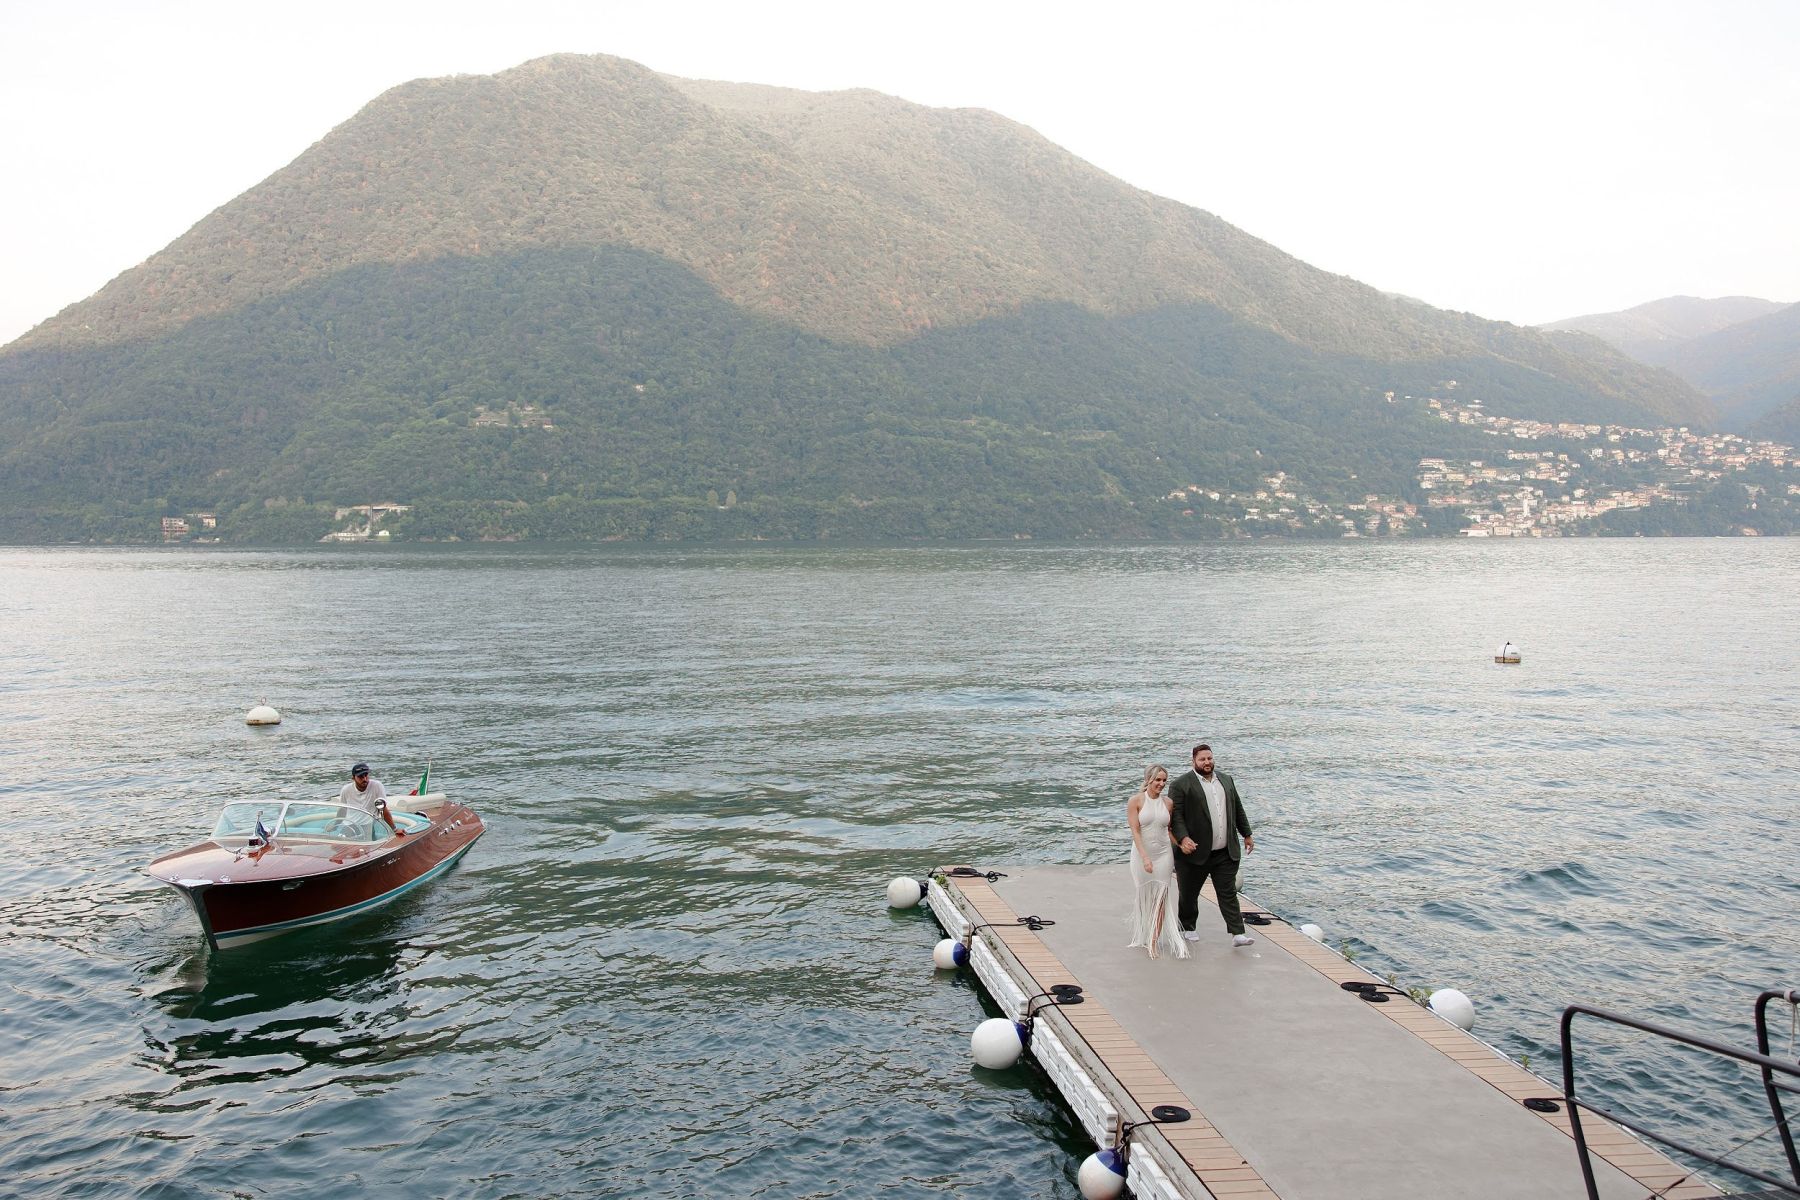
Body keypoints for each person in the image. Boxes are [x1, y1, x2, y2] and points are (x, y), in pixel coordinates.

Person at [1169, 743, 1256, 947]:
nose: (1207, 762)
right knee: (1189, 893)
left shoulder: (1226, 780)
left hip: (1224, 852)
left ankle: (1237, 933)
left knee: (1228, 892)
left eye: (1209, 758)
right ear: (1193, 761)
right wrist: (1183, 839)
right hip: (1194, 852)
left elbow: (1237, 808)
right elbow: (1176, 817)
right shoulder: (1181, 784)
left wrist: (1247, 834)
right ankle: (1188, 927)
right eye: (1202, 759)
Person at [1126, 764, 1187, 960]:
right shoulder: (1135, 801)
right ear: (1148, 780)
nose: (1161, 784)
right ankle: (1145, 933)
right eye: (1157, 780)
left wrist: (1181, 844)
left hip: (1163, 855)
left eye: (1164, 780)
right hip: (1141, 854)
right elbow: (1135, 831)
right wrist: (1144, 857)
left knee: (1161, 898)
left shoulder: (1168, 803)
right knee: (1144, 897)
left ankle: (1153, 941)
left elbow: (1168, 829)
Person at [338, 762, 403, 837]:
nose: (365, 779)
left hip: (368, 825)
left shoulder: (376, 786)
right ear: (353, 778)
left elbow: (382, 809)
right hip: (350, 824)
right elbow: (342, 809)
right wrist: (336, 824)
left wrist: (394, 829)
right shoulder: (346, 789)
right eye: (360, 777)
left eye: (366, 775)